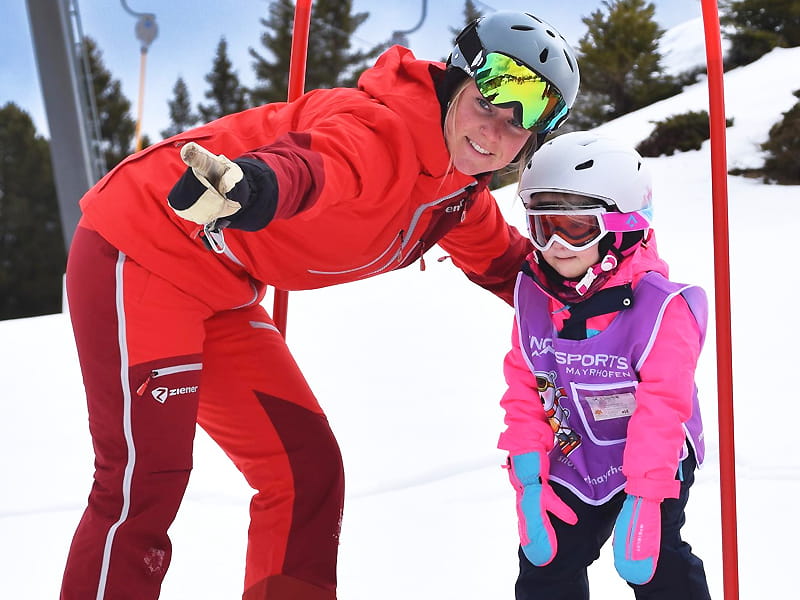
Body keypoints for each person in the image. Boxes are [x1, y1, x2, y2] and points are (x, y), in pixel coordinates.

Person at [60, 11, 580, 600]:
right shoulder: (384, 131)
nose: (496, 131)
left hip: (223, 287)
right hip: (147, 245)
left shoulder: (455, 195)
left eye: (523, 123)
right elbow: (316, 163)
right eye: (490, 101)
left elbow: (515, 270)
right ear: (457, 80)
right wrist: (255, 186)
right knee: (143, 481)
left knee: (303, 473)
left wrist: (610, 299)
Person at [498, 131, 712, 599]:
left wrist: (647, 494)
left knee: (655, 561)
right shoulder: (534, 297)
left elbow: (663, 408)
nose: (556, 245)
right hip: (576, 452)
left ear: (622, 226)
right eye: (542, 226)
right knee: (548, 559)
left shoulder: (662, 310)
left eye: (576, 229)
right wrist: (529, 478)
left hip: (654, 453)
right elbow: (525, 388)